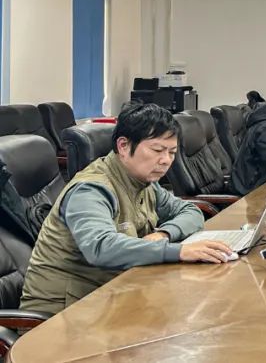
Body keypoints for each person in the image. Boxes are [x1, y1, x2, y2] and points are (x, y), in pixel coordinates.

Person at [20, 103, 233, 316]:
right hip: (63, 314)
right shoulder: (90, 189)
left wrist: (164, 234)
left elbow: (191, 211)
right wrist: (179, 251)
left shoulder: (144, 181)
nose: (166, 160)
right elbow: (101, 247)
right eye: (157, 150)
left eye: (172, 152)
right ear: (123, 146)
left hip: (111, 295)